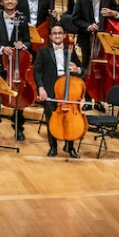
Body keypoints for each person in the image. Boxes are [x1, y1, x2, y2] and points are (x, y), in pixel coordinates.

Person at [0, 0, 32, 140]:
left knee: (18, 94)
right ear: (1, 2)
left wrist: (23, 45)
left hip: (17, 66)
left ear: (17, 1)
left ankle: (18, 127)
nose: (10, 1)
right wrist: (1, 48)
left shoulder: (22, 19)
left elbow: (28, 42)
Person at [32, 23, 83, 157]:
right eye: (54, 33)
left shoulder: (70, 51)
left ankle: (70, 146)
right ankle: (53, 146)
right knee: (51, 118)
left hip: (68, 90)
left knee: (70, 118)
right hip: (49, 91)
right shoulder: (43, 51)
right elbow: (36, 71)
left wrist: (78, 69)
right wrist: (40, 88)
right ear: (50, 36)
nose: (57, 35)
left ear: (64, 35)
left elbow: (82, 69)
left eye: (60, 33)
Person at [70, 0, 119, 74]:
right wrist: (88, 26)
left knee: (104, 66)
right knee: (87, 65)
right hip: (87, 38)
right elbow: (75, 18)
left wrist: (113, 13)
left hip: (105, 38)